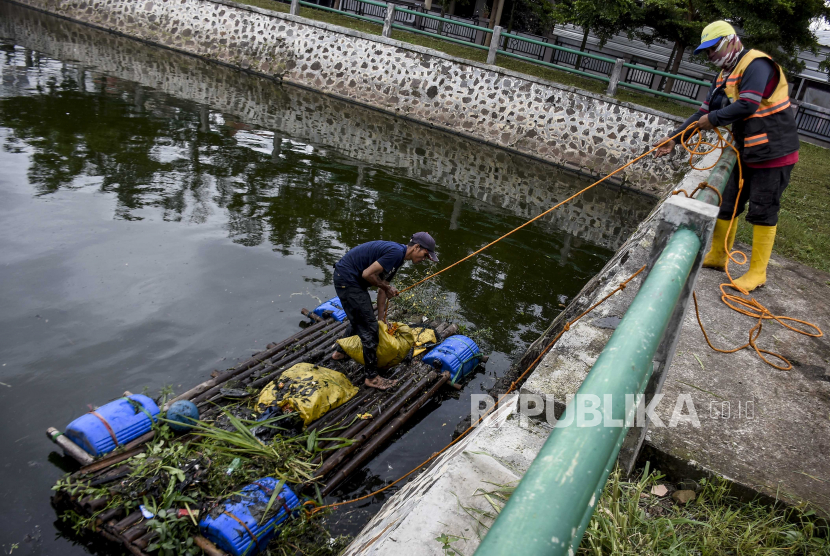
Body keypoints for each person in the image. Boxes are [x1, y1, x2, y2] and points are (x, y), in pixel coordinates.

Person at [653, 21, 800, 292]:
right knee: (727, 202)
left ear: (730, 41)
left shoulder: (757, 64)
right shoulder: (723, 75)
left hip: (774, 151)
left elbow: (748, 104)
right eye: (706, 52)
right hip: (742, 149)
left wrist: (715, 119)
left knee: (763, 210)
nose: (711, 56)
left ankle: (757, 273)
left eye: (713, 49)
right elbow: (703, 114)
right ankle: (719, 256)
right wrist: (674, 139)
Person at [331, 232, 439, 390]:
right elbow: (367, 274)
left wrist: (381, 318)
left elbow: (382, 290)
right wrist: (386, 287)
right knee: (370, 328)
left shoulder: (398, 258)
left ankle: (340, 353)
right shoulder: (395, 253)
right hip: (348, 279)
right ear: (416, 247)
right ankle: (372, 378)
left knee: (362, 318)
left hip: (352, 281)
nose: (424, 259)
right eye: (425, 255)